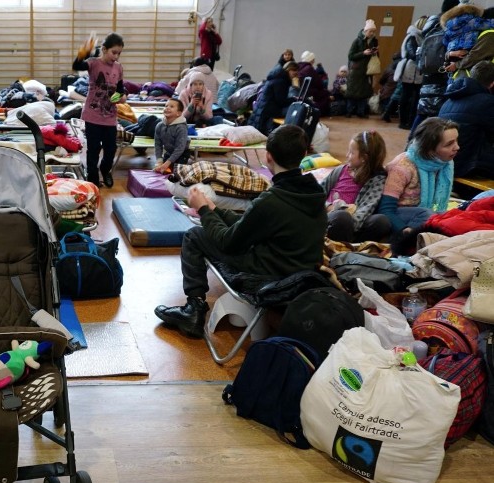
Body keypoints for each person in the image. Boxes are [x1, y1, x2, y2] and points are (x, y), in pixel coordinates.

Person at [153, 125, 327, 337]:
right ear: (303, 155)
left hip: (270, 275)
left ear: (268, 156)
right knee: (213, 228)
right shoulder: (315, 193)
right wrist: (216, 210)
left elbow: (228, 241)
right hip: (303, 275)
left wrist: (204, 210)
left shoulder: (272, 200)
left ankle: (194, 310)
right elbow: (251, 223)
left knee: (195, 236)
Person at [378, 117, 460, 246]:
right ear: (430, 150)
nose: (457, 147)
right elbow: (386, 209)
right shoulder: (403, 167)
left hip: (418, 213)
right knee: (428, 215)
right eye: (449, 144)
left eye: (456, 141)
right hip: (397, 218)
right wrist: (405, 231)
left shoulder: (444, 163)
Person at [72, 32, 125, 188]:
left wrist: (119, 97)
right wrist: (84, 51)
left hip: (110, 117)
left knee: (110, 150)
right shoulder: (93, 63)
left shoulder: (119, 67)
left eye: (119, 53)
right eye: (113, 52)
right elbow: (76, 66)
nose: (116, 57)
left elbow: (120, 90)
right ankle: (93, 177)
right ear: (104, 49)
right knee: (93, 150)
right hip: (92, 115)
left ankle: (105, 169)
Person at [321, 130, 391, 243]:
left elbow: (365, 211)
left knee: (381, 221)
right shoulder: (340, 171)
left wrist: (343, 212)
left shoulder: (377, 180)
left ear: (364, 158)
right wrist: (328, 207)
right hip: (327, 221)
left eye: (351, 153)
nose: (347, 155)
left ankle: (349, 247)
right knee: (340, 217)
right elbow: (317, 193)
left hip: (352, 225)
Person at [411, 1, 461, 135]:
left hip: (428, 72)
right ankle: (431, 147)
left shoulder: (431, 25)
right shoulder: (452, 25)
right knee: (440, 114)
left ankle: (411, 142)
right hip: (444, 72)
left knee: (423, 110)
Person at [438, 61, 494, 180]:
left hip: (445, 161)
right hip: (469, 166)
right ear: (492, 83)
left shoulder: (448, 100)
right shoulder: (488, 102)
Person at [248, 61, 297, 135]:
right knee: (293, 112)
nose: (295, 74)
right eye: (294, 71)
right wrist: (295, 99)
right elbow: (281, 101)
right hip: (267, 110)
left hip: (263, 109)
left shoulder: (276, 77)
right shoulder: (281, 81)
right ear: (288, 70)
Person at [393, 21, 426, 130]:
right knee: (406, 96)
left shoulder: (421, 36)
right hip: (410, 69)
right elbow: (412, 54)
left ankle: (410, 121)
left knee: (414, 97)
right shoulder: (412, 37)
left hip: (417, 71)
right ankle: (403, 121)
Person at [346, 19, 379, 118]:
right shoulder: (357, 41)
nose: (372, 33)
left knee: (364, 93)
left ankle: (361, 112)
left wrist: (375, 52)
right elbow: (351, 56)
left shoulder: (374, 41)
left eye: (373, 31)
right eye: (370, 31)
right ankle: (349, 111)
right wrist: (363, 53)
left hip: (367, 70)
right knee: (353, 92)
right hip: (356, 70)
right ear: (365, 31)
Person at [153, 99, 190, 174]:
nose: (167, 108)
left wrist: (167, 163)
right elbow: (158, 145)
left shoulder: (181, 127)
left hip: (182, 154)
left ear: (178, 113)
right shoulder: (159, 126)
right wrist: (159, 161)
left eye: (172, 106)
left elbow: (180, 148)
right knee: (160, 171)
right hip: (169, 153)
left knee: (176, 173)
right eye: (166, 106)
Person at [297, 51, 331, 116]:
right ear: (310, 60)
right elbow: (318, 83)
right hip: (309, 92)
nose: (314, 61)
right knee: (326, 94)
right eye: (313, 60)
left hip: (302, 90)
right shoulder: (309, 68)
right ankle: (319, 112)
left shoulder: (299, 67)